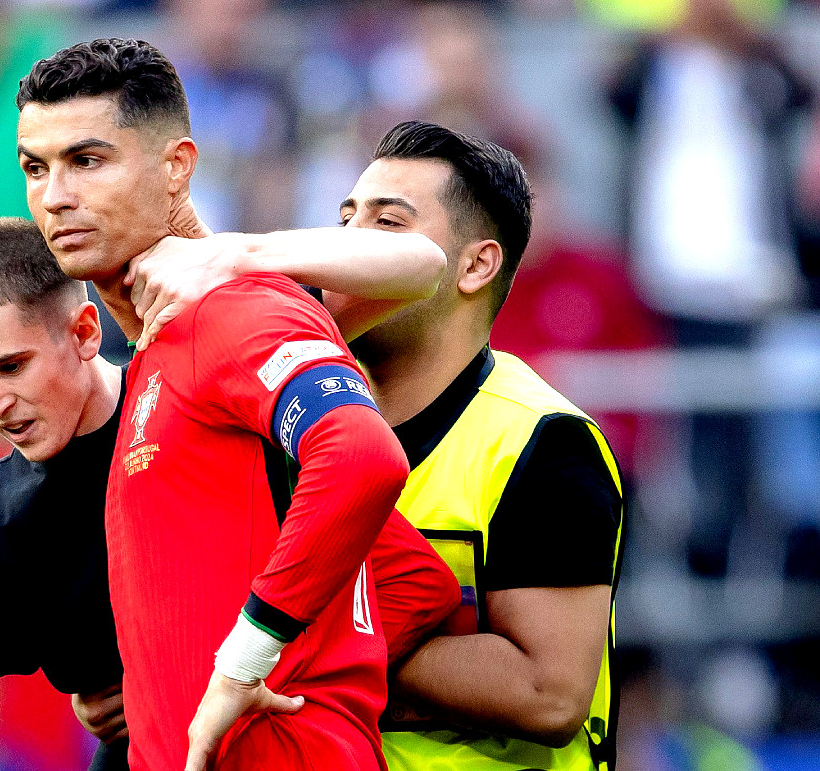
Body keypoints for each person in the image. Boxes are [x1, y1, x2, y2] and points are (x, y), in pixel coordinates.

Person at [0, 204, 456, 771]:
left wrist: (242, 666)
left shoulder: (202, 396)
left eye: (10, 367)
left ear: (85, 333)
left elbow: (411, 587)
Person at [15, 38, 461, 771]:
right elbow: (410, 582)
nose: (56, 196)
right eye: (36, 168)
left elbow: (361, 457)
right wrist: (174, 676)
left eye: (87, 161)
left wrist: (245, 663)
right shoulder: (161, 350)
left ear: (176, 167)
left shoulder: (232, 310)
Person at [134, 120, 625, 770]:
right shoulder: (291, 412)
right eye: (345, 220)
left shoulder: (543, 440)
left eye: (387, 224)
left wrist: (301, 645)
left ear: (475, 265)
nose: (348, 243)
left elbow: (548, 695)